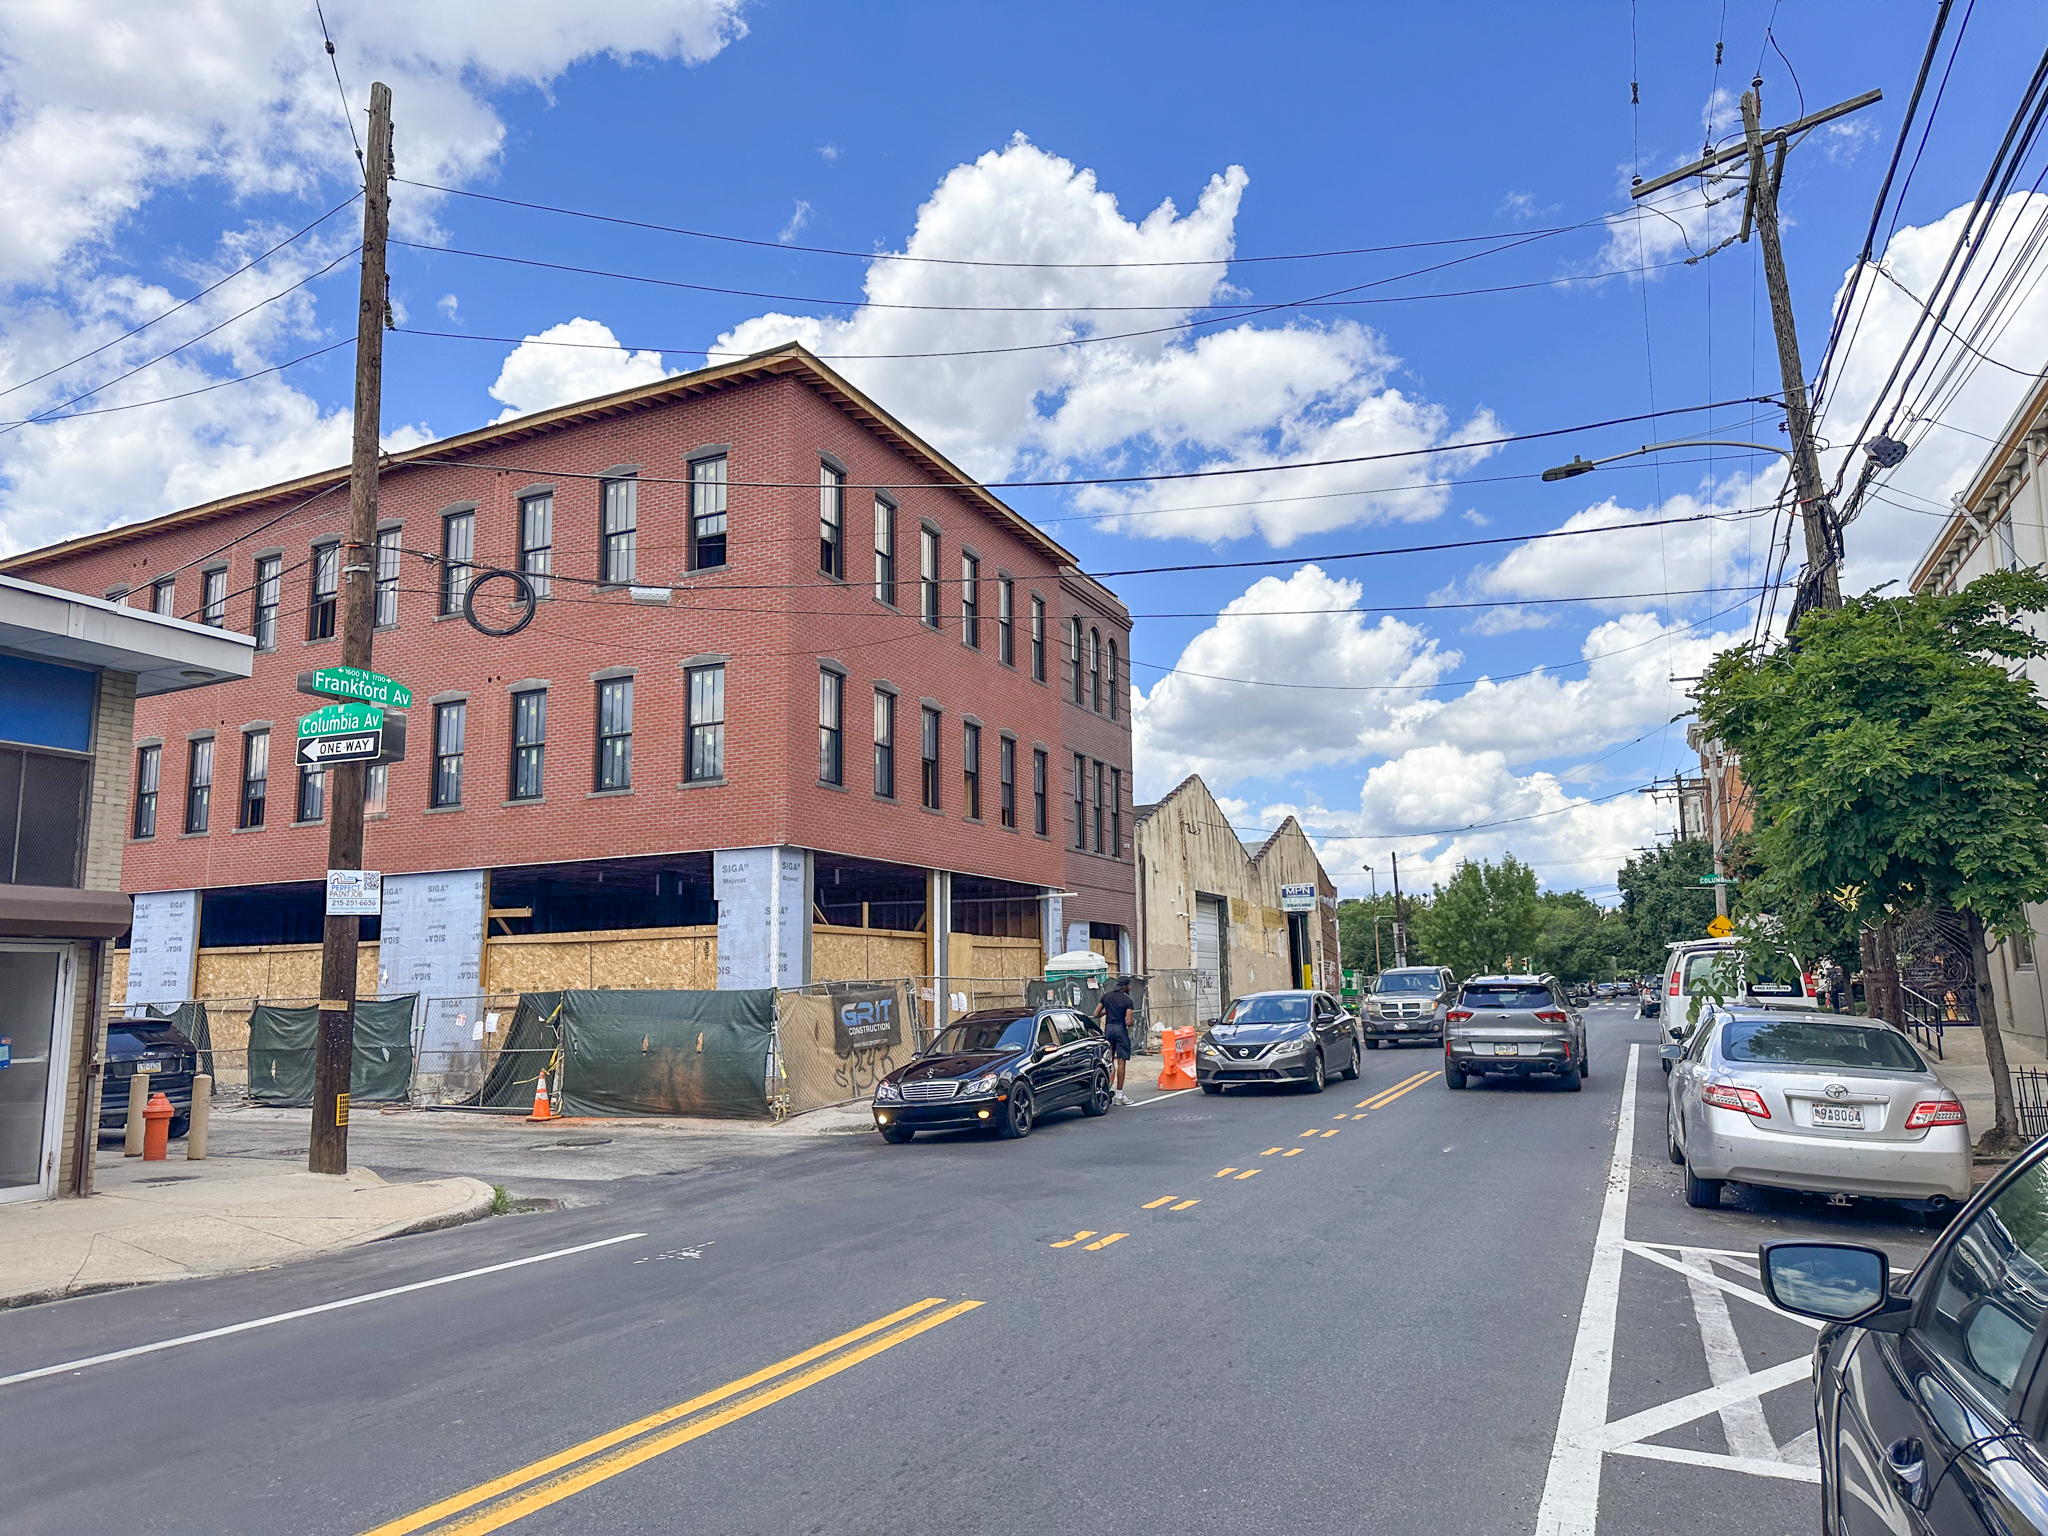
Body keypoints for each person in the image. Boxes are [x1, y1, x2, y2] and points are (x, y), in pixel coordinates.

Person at [1094, 980, 1135, 1105]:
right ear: (1125, 987)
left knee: (1109, 1062)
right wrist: (1131, 1023)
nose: (1131, 987)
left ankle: (1107, 1089)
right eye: (1129, 985)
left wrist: (1107, 1012)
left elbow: (1096, 1014)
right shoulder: (1127, 1000)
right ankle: (1119, 1095)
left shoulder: (1106, 997)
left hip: (1109, 1030)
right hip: (1120, 1030)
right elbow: (1128, 1021)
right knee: (1121, 1062)